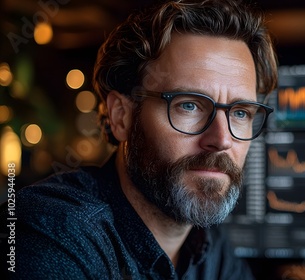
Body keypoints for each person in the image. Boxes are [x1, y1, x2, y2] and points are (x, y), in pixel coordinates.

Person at [0, 0, 278, 278]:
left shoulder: (210, 250)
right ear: (121, 116)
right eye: (189, 105)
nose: (221, 139)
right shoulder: (51, 234)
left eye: (241, 112)